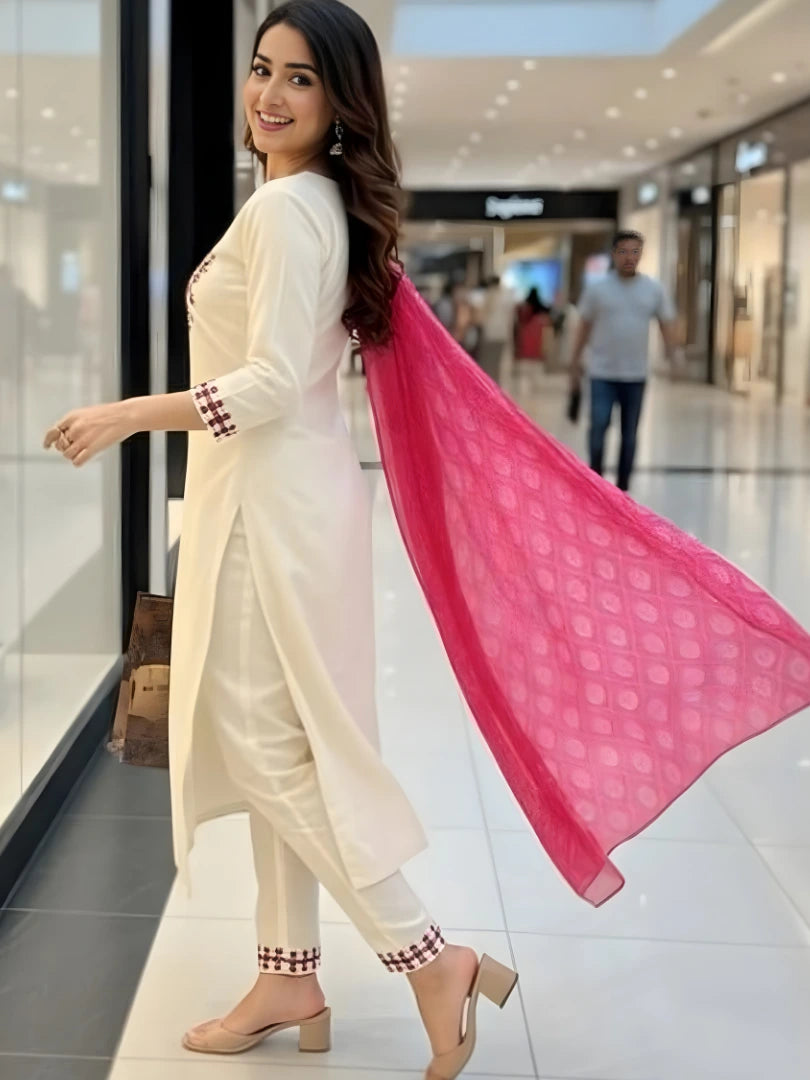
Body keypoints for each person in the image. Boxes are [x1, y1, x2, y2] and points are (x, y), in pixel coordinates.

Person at [42, 3, 515, 1077]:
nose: (270, 94)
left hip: (270, 512)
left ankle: (426, 954)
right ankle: (287, 971)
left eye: (300, 79)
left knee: (261, 744)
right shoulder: (300, 205)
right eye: (263, 70)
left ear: (340, 102)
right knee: (281, 745)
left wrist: (124, 414)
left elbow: (266, 385)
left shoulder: (292, 210)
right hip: (275, 501)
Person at [570, 229, 681, 492]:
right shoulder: (598, 289)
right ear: (614, 254)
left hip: (635, 375)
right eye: (623, 252)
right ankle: (595, 484)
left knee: (629, 435)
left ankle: (622, 489)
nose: (629, 258)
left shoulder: (653, 290)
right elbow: (583, 326)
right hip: (602, 373)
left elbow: (667, 323)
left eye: (635, 251)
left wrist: (674, 354)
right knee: (597, 429)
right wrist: (574, 361)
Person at [477, 275, 514, 382]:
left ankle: (487, 384)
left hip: (489, 334)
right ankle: (495, 385)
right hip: (501, 334)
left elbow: (482, 315)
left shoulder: (487, 295)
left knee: (487, 363)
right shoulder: (505, 297)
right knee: (496, 363)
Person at [514, 286, 551, 362]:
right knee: (536, 345)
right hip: (537, 328)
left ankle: (526, 355)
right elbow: (547, 310)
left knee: (527, 345)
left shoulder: (526, 303)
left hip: (527, 328)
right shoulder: (539, 303)